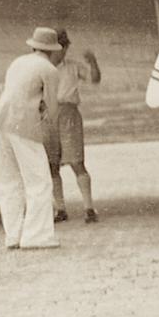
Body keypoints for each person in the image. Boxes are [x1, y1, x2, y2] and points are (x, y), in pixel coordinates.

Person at [0, 27, 62, 249]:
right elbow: (52, 108)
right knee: (39, 182)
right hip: (25, 126)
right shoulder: (49, 69)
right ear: (52, 50)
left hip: (1, 122)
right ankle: (37, 236)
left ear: (33, 46)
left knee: (8, 181)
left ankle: (13, 236)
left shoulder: (17, 62)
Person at [45, 30, 101, 223]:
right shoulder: (42, 69)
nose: (63, 51)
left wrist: (93, 62)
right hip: (48, 116)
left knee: (77, 162)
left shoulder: (73, 67)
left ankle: (89, 208)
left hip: (69, 113)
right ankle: (60, 209)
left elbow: (94, 79)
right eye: (60, 47)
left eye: (65, 47)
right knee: (52, 165)